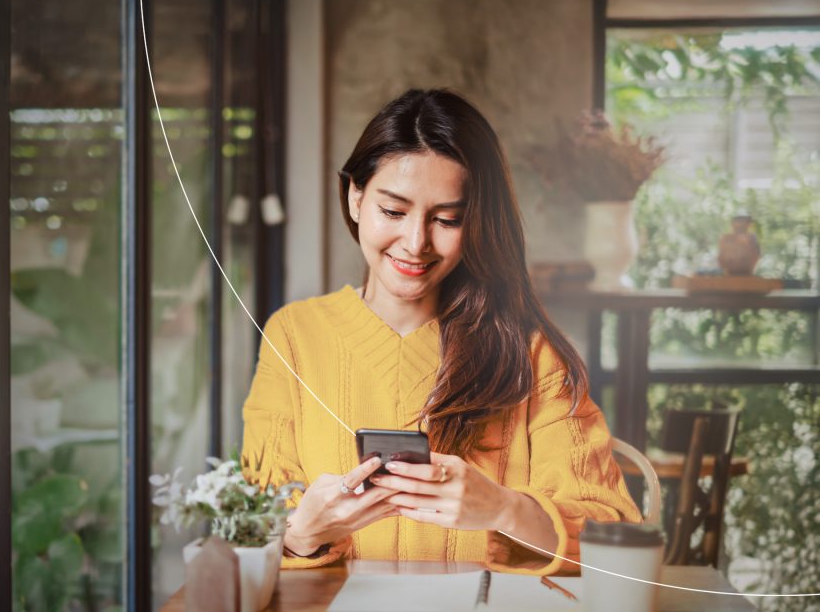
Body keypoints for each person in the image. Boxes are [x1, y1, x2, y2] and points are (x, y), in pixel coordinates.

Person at [240, 88, 641, 575]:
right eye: (393, 211)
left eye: (447, 219)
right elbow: (249, 529)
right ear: (355, 197)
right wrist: (302, 534)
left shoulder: (529, 352)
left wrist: (504, 509)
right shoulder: (293, 336)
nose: (415, 243)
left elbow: (616, 532)